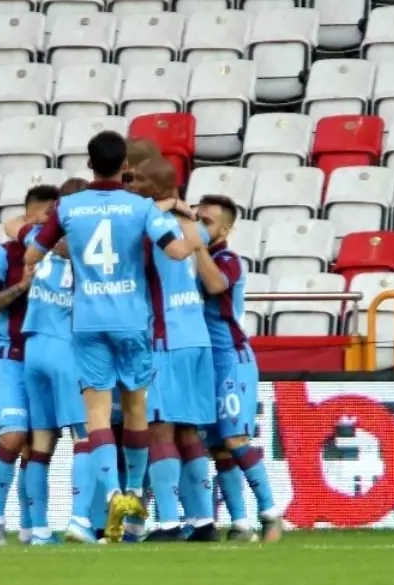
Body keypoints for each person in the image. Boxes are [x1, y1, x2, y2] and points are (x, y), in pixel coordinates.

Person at [23, 131, 193, 544]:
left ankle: (113, 494)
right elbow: (176, 251)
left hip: (87, 321)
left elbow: (32, 255)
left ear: (89, 162)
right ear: (125, 167)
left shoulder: (68, 207)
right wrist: (174, 216)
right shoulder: (139, 207)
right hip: (131, 318)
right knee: (136, 407)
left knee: (96, 414)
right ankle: (134, 496)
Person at [130, 158, 218, 543]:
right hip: (197, 337)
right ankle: (202, 520)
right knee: (188, 430)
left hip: (164, 338)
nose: (131, 186)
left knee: (158, 429)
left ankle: (166, 522)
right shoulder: (192, 226)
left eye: (138, 181)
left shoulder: (149, 227)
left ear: (155, 187)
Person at [193, 194, 282, 544]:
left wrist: (196, 245)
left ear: (226, 228)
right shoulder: (194, 260)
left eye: (207, 222)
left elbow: (216, 286)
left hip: (231, 357)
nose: (200, 226)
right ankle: (241, 523)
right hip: (203, 362)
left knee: (235, 438)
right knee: (217, 447)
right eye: (197, 219)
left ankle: (271, 514)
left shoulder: (227, 259)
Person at [0, 185, 57, 546]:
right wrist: (23, 287)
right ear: (28, 219)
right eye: (47, 217)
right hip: (10, 356)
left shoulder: (64, 258)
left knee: (39, 444)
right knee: (14, 435)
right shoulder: (3, 254)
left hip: (47, 357)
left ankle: (31, 527)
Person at [20, 178, 88, 546]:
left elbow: (18, 227)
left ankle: (39, 530)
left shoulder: (38, 244)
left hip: (34, 348)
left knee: (41, 440)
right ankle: (80, 521)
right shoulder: (85, 255)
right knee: (85, 437)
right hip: (65, 349)